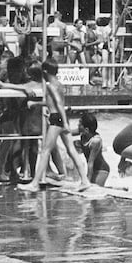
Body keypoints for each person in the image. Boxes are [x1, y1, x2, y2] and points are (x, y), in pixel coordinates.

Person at [20, 60, 91, 192]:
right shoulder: (58, 84)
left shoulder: (50, 85)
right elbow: (51, 103)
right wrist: (36, 104)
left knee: (45, 151)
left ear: (45, 71)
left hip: (57, 119)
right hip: (61, 119)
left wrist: (63, 122)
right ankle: (85, 180)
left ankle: (35, 183)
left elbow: (58, 104)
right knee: (71, 150)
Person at [75, 113, 111, 186]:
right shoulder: (83, 133)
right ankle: (116, 189)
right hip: (92, 169)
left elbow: (90, 162)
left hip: (101, 170)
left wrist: (87, 180)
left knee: (95, 190)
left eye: (80, 123)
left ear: (86, 129)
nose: (77, 125)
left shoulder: (95, 141)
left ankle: (116, 190)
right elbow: (67, 132)